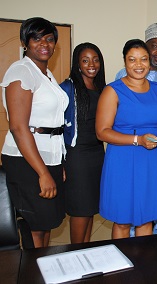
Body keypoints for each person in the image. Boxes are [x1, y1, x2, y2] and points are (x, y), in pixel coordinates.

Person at [0, 17, 68, 248]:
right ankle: (33, 274)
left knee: (45, 222)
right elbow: (19, 127)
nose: (44, 44)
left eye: (50, 39)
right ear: (25, 42)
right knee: (35, 228)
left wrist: (57, 164)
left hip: (47, 157)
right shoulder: (21, 71)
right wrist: (43, 173)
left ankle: (43, 271)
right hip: (27, 160)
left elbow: (52, 124)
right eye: (37, 38)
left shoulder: (44, 74)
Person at [96, 39, 157, 239]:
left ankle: (143, 267)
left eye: (143, 59)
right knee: (122, 220)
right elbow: (102, 131)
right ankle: (121, 268)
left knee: (147, 217)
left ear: (149, 62)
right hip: (123, 158)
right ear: (125, 62)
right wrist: (138, 139)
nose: (139, 65)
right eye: (132, 59)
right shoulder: (112, 90)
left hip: (151, 160)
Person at [116, 23, 157, 235]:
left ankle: (153, 261)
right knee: (132, 211)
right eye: (154, 46)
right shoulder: (121, 76)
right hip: (132, 152)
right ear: (145, 46)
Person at [60, 42, 106, 244]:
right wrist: (60, 162)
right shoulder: (67, 87)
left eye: (95, 59)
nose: (91, 64)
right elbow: (57, 126)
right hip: (77, 155)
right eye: (85, 60)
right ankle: (75, 254)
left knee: (89, 209)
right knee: (80, 209)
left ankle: (85, 251)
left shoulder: (101, 87)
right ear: (78, 64)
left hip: (97, 153)